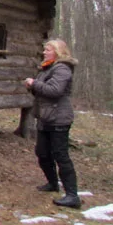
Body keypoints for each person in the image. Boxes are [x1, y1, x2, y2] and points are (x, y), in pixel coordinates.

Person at [24, 39, 81, 209]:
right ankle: (53, 183)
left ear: (57, 52)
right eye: (45, 49)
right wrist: (32, 86)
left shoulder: (62, 68)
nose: (44, 52)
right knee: (42, 153)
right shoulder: (48, 67)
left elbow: (55, 91)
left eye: (48, 50)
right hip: (46, 117)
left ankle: (72, 196)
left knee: (60, 155)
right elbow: (42, 89)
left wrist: (35, 83)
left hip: (59, 118)